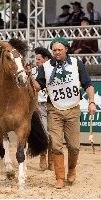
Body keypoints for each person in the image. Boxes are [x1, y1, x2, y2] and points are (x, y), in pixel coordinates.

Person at [31, 37, 96, 189]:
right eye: (54, 50)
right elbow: (38, 86)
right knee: (56, 145)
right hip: (54, 109)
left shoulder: (76, 64)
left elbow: (87, 84)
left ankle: (72, 170)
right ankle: (59, 178)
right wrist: (29, 78)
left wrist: (91, 101)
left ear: (67, 49)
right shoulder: (45, 67)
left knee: (74, 146)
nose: (57, 52)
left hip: (73, 109)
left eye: (60, 49)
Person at [33, 47, 54, 171]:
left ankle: (51, 159)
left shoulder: (52, 69)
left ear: (46, 59)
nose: (37, 61)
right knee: (45, 133)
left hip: (53, 104)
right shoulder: (34, 71)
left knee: (53, 133)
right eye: (36, 59)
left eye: (39, 59)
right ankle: (43, 156)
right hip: (40, 105)